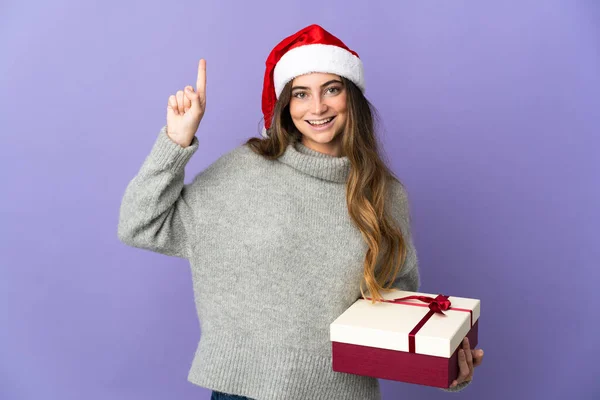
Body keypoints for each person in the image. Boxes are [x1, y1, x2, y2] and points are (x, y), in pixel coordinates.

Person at [118, 24, 483, 400]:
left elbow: (395, 308)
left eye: (332, 89)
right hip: (244, 393)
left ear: (351, 97)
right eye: (301, 94)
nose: (318, 107)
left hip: (343, 393)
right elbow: (140, 225)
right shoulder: (244, 171)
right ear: (285, 105)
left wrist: (447, 364)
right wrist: (176, 141)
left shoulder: (387, 195)